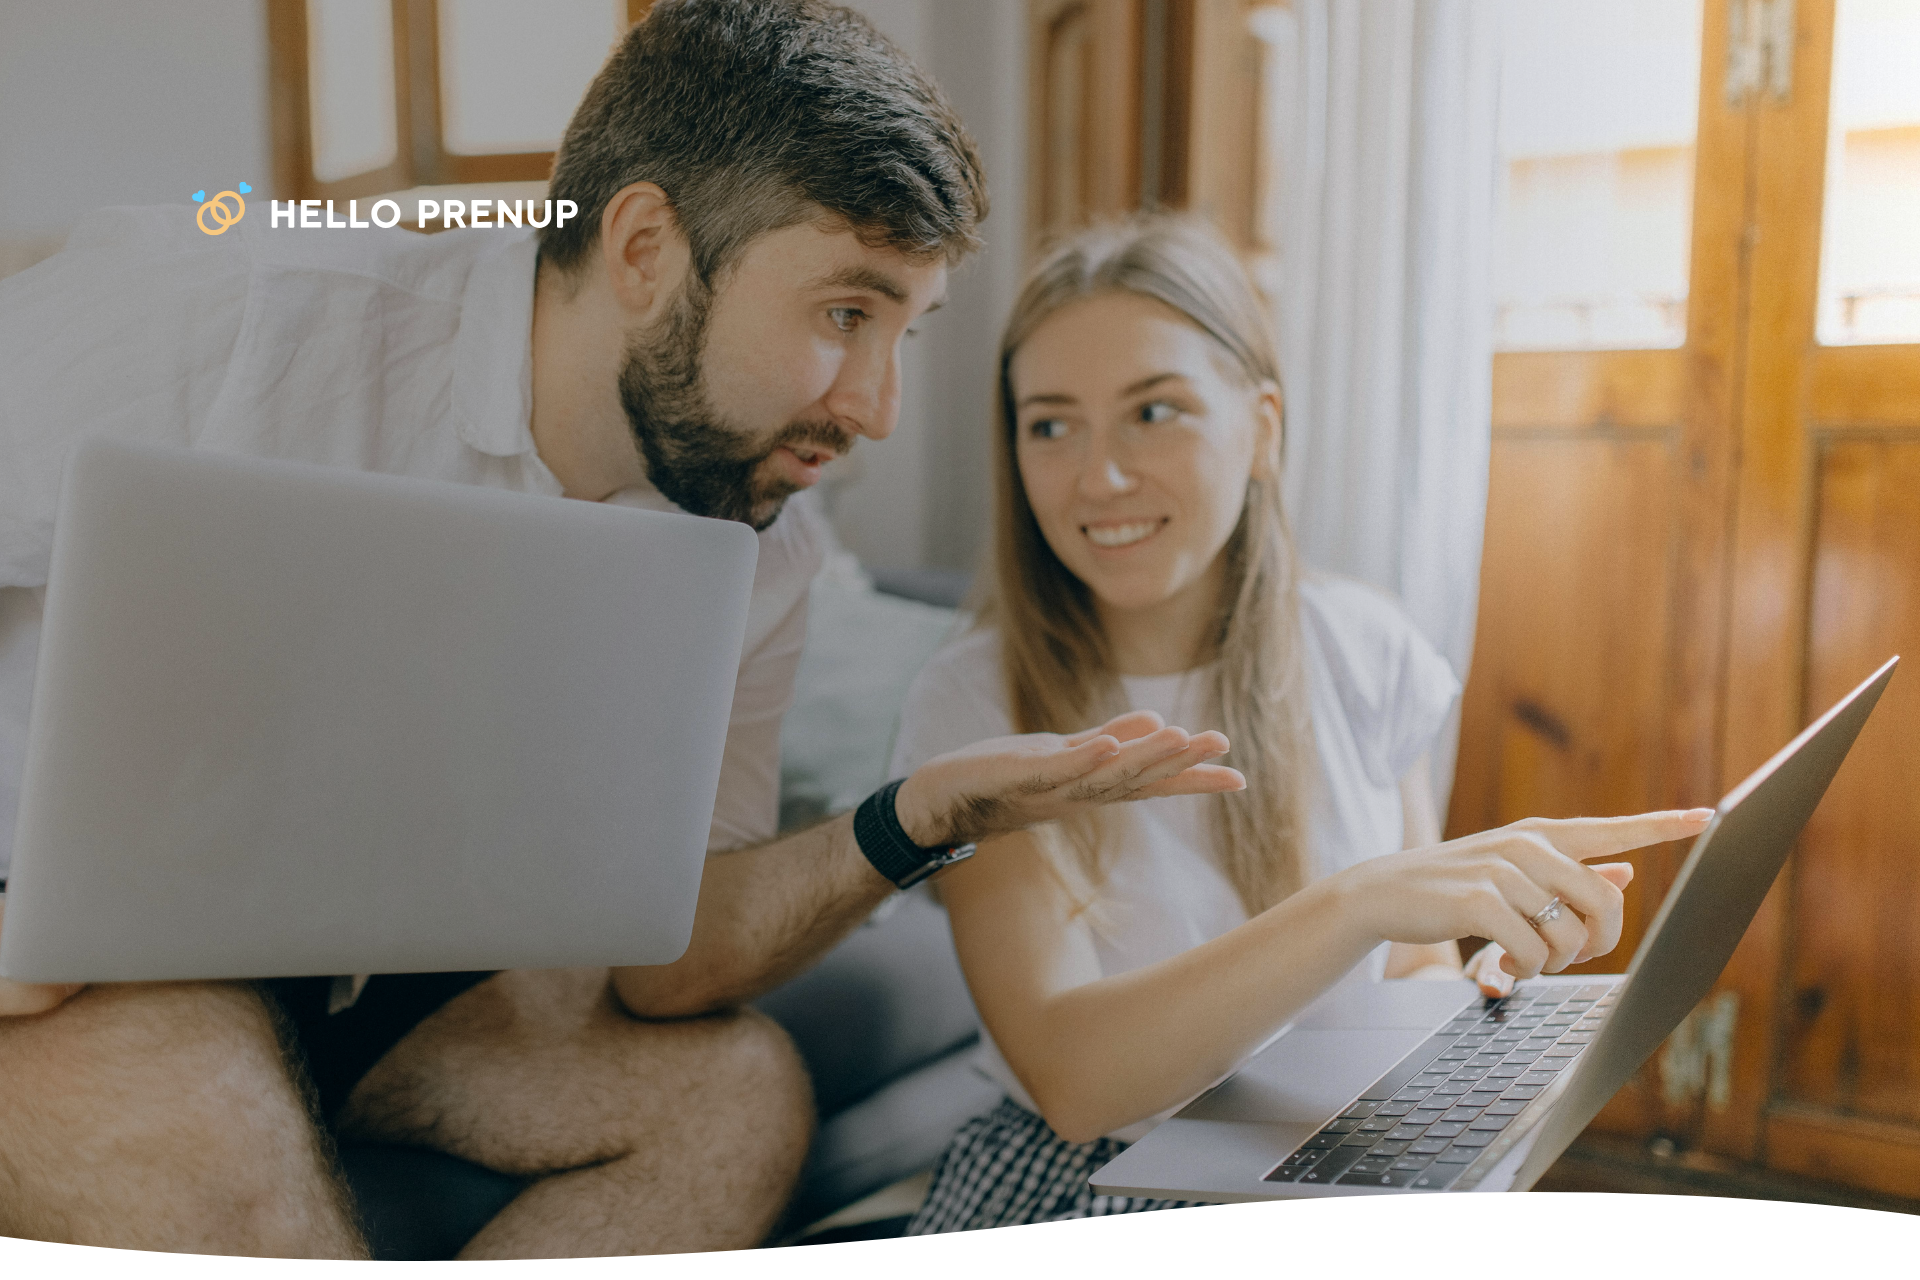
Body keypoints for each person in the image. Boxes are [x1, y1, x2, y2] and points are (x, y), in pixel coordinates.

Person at [0, 3, 1240, 1259]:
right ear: (647, 246)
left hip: (364, 976)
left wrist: (914, 814)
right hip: (59, 954)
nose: (877, 407)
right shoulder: (231, 310)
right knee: (219, 1162)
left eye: (903, 332)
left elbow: (666, 962)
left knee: (738, 1098)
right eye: (844, 315)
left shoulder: (761, 542)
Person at [886, 216, 1713, 1233]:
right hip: (1091, 1181)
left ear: (1263, 428)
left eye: (1155, 411)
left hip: (1333, 1145)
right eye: (1050, 425)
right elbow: (1075, 1076)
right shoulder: (970, 705)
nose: (1098, 475)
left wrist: (1486, 981)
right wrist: (1357, 904)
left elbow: (1407, 962)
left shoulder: (1367, 647)